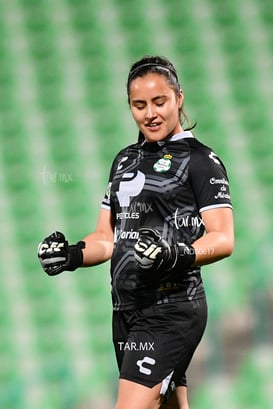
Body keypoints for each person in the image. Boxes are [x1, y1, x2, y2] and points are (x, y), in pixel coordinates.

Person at [38, 55, 234, 409]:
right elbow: (106, 238)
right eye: (139, 105)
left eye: (159, 102)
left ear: (179, 98)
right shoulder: (124, 160)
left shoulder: (201, 160)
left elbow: (223, 238)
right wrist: (71, 254)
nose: (150, 113)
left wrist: (178, 252)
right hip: (126, 311)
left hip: (171, 309)